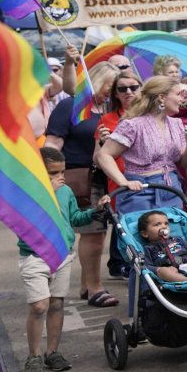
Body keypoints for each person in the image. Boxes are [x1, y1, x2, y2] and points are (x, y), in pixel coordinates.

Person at [18, 148, 108, 372]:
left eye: (62, 172)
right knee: (39, 306)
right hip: (35, 256)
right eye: (53, 173)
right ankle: (33, 356)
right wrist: (46, 193)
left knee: (57, 304)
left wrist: (95, 211)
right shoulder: (26, 191)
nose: (60, 177)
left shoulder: (65, 191)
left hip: (61, 255)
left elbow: (74, 217)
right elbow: (22, 222)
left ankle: (52, 352)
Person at [45, 61, 121, 308]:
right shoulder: (70, 106)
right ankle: (95, 288)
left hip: (103, 177)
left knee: (98, 234)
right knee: (93, 234)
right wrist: (51, 175)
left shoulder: (109, 108)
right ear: (97, 81)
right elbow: (53, 143)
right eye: (110, 86)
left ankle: (86, 284)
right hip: (79, 177)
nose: (112, 92)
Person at [95, 76, 187, 211]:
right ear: (162, 97)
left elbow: (185, 163)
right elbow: (103, 155)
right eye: (178, 94)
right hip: (140, 191)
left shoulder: (177, 124)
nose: (182, 99)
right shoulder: (133, 125)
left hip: (172, 188)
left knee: (175, 225)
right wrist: (123, 181)